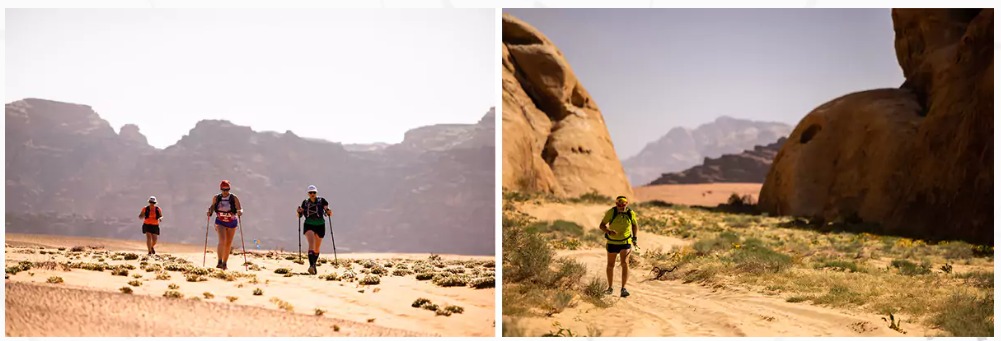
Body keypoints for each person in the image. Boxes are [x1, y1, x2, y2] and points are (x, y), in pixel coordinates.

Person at [599, 195, 638, 298]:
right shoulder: (611, 212)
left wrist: (635, 238)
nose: (621, 207)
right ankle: (610, 287)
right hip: (612, 242)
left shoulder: (630, 213)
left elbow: (634, 224)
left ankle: (623, 288)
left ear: (626, 204)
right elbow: (601, 225)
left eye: (623, 205)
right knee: (610, 265)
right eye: (619, 205)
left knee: (625, 263)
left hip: (625, 242)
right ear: (616, 205)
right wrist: (608, 231)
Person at [207, 180, 242, 270]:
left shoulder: (234, 198)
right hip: (220, 221)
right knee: (222, 240)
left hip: (231, 222)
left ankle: (224, 263)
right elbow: (213, 207)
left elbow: (240, 208)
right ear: (220, 189)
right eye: (223, 189)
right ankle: (219, 261)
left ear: (229, 189)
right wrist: (210, 212)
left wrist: (239, 212)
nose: (225, 191)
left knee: (228, 244)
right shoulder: (217, 198)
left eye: (227, 189)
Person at [297, 185, 332, 275]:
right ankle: (311, 265)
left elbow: (329, 212)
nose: (312, 194)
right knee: (311, 244)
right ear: (308, 194)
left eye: (314, 192)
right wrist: (299, 212)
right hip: (309, 225)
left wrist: (328, 211)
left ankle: (314, 264)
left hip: (320, 225)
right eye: (310, 193)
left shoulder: (322, 201)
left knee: (317, 248)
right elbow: (299, 216)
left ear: (316, 193)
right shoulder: (305, 203)